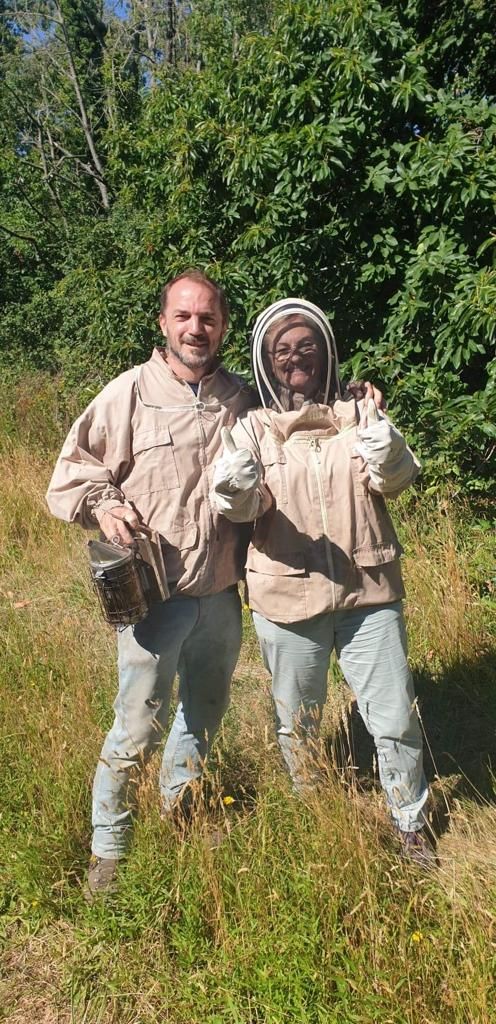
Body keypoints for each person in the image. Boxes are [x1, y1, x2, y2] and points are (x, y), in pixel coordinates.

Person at [46, 269, 259, 894]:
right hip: (155, 599)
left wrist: (353, 394)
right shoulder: (129, 393)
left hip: (220, 594)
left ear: (223, 326)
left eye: (208, 317)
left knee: (205, 711)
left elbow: (302, 420)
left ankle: (182, 805)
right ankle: (109, 849)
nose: (196, 328)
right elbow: (73, 470)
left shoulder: (242, 400)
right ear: (163, 322)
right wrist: (106, 505)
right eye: (183, 316)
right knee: (138, 725)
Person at [212, 298, 436, 867]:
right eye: (282, 350)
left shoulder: (360, 414)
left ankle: (410, 822)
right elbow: (243, 510)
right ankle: (315, 813)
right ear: (266, 362)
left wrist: (391, 453)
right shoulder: (251, 429)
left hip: (369, 594)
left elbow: (396, 481)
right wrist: (235, 489)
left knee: (394, 716)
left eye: (307, 346)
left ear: (326, 353)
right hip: (288, 599)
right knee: (299, 721)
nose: (296, 358)